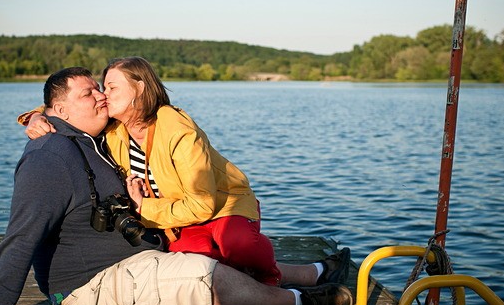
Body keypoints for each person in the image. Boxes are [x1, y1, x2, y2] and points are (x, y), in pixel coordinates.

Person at [0, 67, 353, 305]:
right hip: (92, 283)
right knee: (203, 274)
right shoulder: (49, 158)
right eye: (89, 93)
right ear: (60, 110)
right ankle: (300, 301)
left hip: (137, 255)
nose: (100, 97)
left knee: (213, 250)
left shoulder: (94, 138)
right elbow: (21, 237)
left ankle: (315, 271)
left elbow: (62, 112)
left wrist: (34, 116)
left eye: (101, 89)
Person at [20, 56, 351, 288]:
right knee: (195, 262)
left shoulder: (176, 128)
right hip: (176, 216)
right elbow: (70, 107)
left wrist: (144, 208)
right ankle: (312, 273)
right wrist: (36, 117)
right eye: (101, 89)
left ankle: (273, 282)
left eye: (111, 88)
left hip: (221, 204)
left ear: (140, 89)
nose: (103, 96)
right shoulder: (113, 127)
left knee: (237, 245)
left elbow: (203, 204)